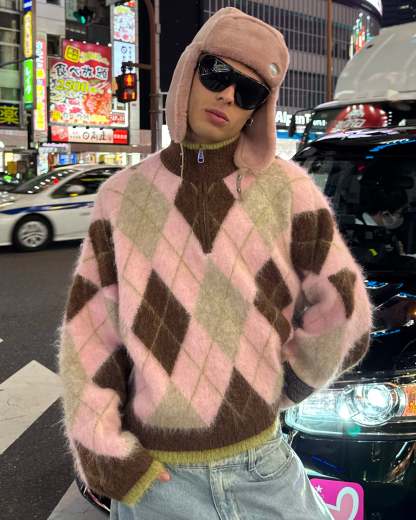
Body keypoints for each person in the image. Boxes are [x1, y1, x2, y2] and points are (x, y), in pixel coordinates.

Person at [58, 8, 372, 520]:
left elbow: (346, 308)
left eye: (249, 92)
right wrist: (104, 454)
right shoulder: (121, 197)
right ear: (189, 70)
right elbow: (90, 336)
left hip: (262, 467)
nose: (227, 94)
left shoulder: (288, 191)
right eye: (216, 73)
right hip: (159, 485)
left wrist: (288, 384)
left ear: (259, 110)